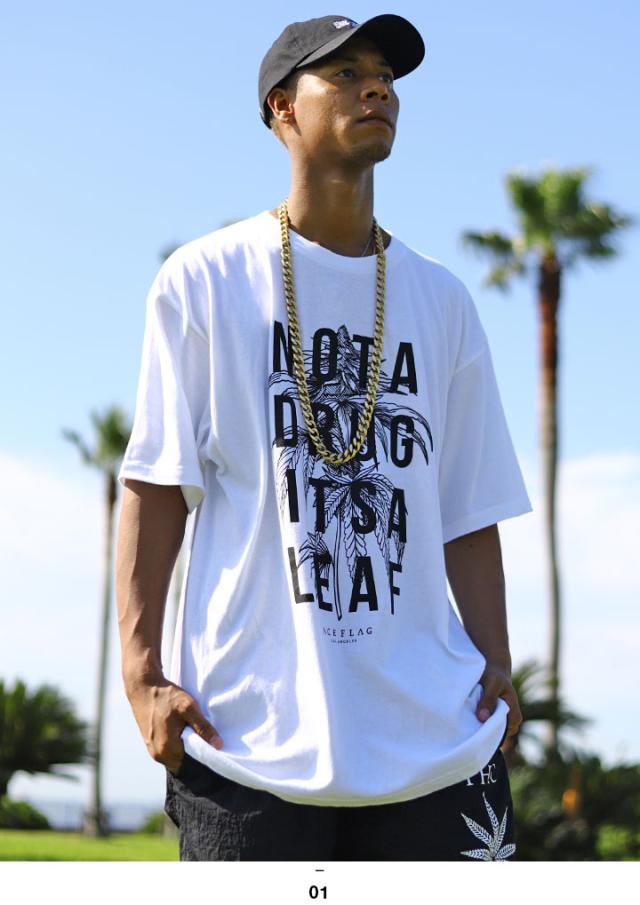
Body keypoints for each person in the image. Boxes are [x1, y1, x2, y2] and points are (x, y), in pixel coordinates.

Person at [115, 13, 533, 861]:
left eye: (385, 75)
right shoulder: (206, 279)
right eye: (344, 73)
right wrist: (142, 672)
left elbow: (467, 506)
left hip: (435, 742)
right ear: (282, 108)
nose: (377, 87)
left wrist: (495, 661)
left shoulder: (442, 300)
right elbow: (157, 483)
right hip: (248, 740)